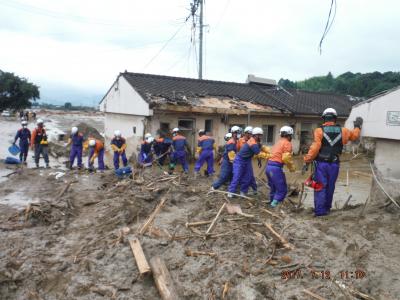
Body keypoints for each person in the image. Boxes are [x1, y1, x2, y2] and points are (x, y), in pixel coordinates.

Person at [303, 108, 363, 216]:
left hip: (321, 164)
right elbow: (354, 136)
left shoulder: (319, 131)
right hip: (334, 164)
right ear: (335, 118)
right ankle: (327, 209)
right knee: (330, 187)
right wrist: (358, 126)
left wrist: (307, 160)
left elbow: (315, 147)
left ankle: (320, 212)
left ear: (324, 118)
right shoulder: (343, 131)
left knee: (320, 186)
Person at [228, 127, 269, 197]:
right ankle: (231, 192)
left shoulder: (255, 142)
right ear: (256, 135)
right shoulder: (252, 142)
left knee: (248, 177)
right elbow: (259, 153)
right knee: (237, 176)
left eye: (261, 135)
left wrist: (273, 152)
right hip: (239, 160)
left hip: (247, 160)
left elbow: (263, 148)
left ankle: (243, 192)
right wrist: (271, 156)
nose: (261, 137)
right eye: (260, 135)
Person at [266, 126, 296, 208]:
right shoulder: (287, 143)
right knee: (282, 190)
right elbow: (286, 158)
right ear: (289, 135)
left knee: (273, 188)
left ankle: (272, 201)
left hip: (268, 167)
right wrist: (292, 168)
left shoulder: (278, 142)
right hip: (276, 168)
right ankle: (273, 205)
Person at [237, 126, 258, 194]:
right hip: (241, 159)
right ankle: (241, 189)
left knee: (250, 175)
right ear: (245, 133)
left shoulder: (252, 141)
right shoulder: (240, 140)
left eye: (251, 134)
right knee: (241, 175)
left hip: (248, 159)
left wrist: (259, 159)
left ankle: (254, 189)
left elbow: (256, 151)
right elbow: (237, 149)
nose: (250, 135)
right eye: (249, 134)